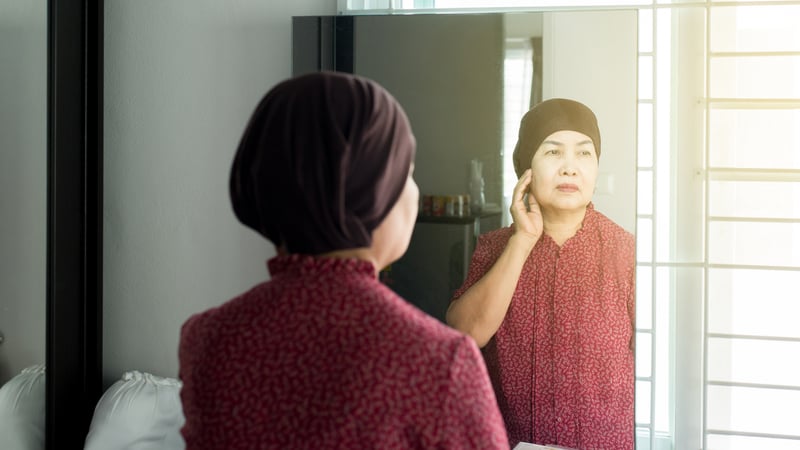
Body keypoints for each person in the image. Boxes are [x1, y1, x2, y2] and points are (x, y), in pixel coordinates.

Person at [178, 72, 509, 450]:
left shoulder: (207, 339)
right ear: (375, 191)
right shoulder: (440, 362)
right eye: (409, 174)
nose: (415, 195)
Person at [446, 98, 635, 450]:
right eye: (552, 153)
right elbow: (463, 335)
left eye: (584, 153)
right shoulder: (492, 248)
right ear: (526, 168)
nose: (570, 168)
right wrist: (522, 241)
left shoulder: (627, 254)